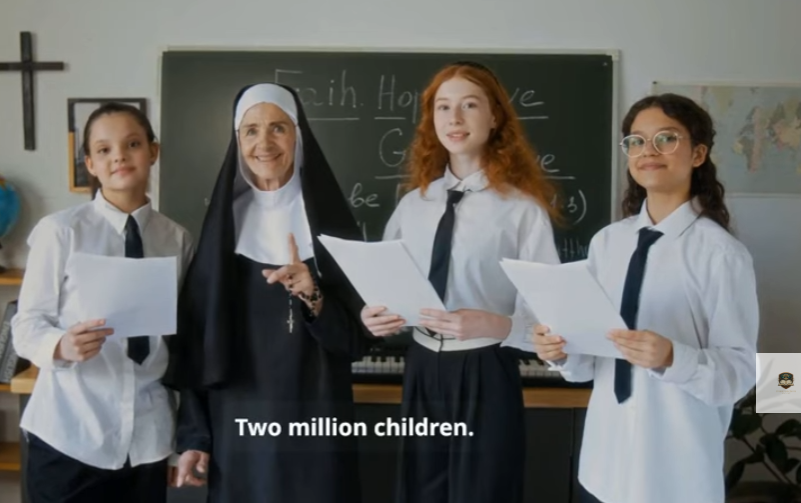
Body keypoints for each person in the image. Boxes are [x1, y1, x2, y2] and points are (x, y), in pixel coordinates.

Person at [532, 93, 759, 503]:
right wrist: (561, 352)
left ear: (698, 154)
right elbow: (590, 364)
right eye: (636, 141)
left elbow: (739, 373)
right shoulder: (607, 244)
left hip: (675, 470)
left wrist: (673, 357)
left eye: (666, 138)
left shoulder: (721, 254)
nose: (648, 151)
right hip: (604, 463)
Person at [361, 61, 562, 503]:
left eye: (469, 105)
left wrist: (497, 325)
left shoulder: (522, 210)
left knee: (483, 492)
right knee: (420, 489)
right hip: (421, 366)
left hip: (486, 369)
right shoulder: (413, 205)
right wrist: (373, 315)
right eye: (443, 107)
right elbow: (384, 284)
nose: (454, 118)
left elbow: (551, 317)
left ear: (494, 117)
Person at [165, 83, 372, 503]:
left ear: (298, 135)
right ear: (237, 141)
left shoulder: (332, 228)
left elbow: (353, 342)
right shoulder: (223, 232)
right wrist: (195, 437)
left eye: (278, 127)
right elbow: (197, 346)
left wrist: (313, 295)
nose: (264, 142)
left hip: (318, 417)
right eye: (251, 130)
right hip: (239, 422)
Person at [11, 102, 195, 503]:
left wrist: (178, 439)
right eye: (104, 149)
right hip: (70, 433)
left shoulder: (176, 240)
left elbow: (180, 342)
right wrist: (60, 345)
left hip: (146, 439)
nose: (119, 157)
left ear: (153, 151)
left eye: (133, 144)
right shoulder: (61, 232)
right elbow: (26, 325)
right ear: (90, 164)